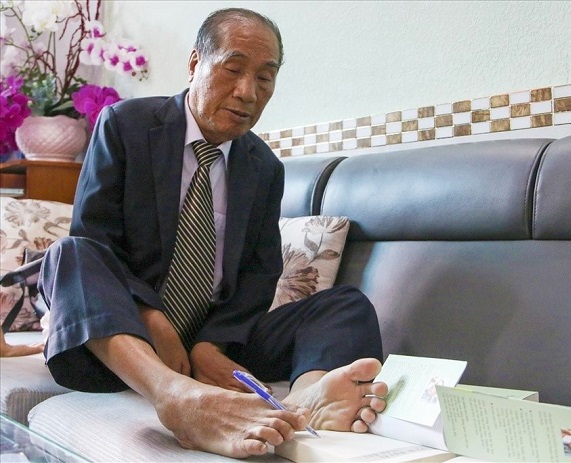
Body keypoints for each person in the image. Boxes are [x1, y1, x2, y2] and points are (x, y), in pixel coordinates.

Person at [38, 7, 387, 459]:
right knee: (70, 253)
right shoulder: (125, 125)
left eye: (265, 78)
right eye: (233, 69)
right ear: (195, 63)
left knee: (344, 304)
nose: (247, 92)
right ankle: (174, 396)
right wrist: (151, 317)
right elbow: (96, 237)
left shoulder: (264, 167)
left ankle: (307, 400)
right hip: (127, 337)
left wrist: (211, 345)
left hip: (214, 341)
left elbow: (259, 274)